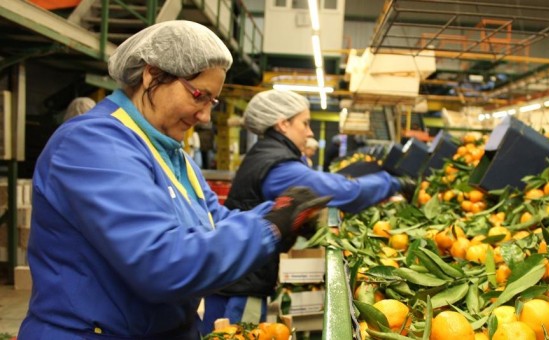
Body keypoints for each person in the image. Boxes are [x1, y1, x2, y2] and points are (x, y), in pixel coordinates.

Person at [18, 21, 329, 340]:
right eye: (199, 96)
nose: (206, 117)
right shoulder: (92, 145)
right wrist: (271, 227)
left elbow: (215, 222)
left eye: (213, 102)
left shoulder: (171, 155)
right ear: (152, 75)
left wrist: (279, 212)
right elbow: (162, 263)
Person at [200, 89, 416, 332]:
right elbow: (344, 192)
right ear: (283, 124)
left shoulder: (268, 154)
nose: (310, 132)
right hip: (242, 284)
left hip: (236, 275)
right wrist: (393, 182)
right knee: (234, 333)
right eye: (305, 123)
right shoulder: (280, 167)